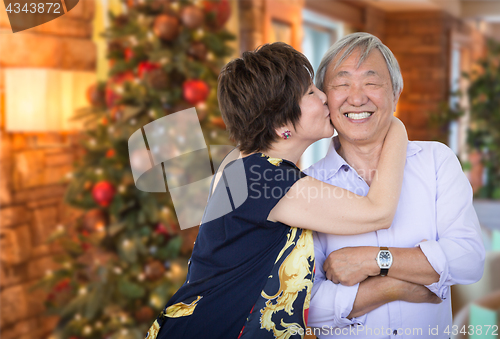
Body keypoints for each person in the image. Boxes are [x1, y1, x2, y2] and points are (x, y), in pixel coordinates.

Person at [144, 42, 416, 339]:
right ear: (282, 122)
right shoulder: (264, 178)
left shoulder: (244, 164)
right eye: (311, 92)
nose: (325, 96)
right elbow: (378, 212)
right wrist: (395, 125)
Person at [305, 32, 486, 338]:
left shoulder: (436, 161)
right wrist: (392, 287)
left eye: (371, 82)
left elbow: (468, 259)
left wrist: (374, 260)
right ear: (325, 99)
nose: (357, 97)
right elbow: (307, 306)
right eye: (342, 83)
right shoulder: (308, 186)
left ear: (395, 94)